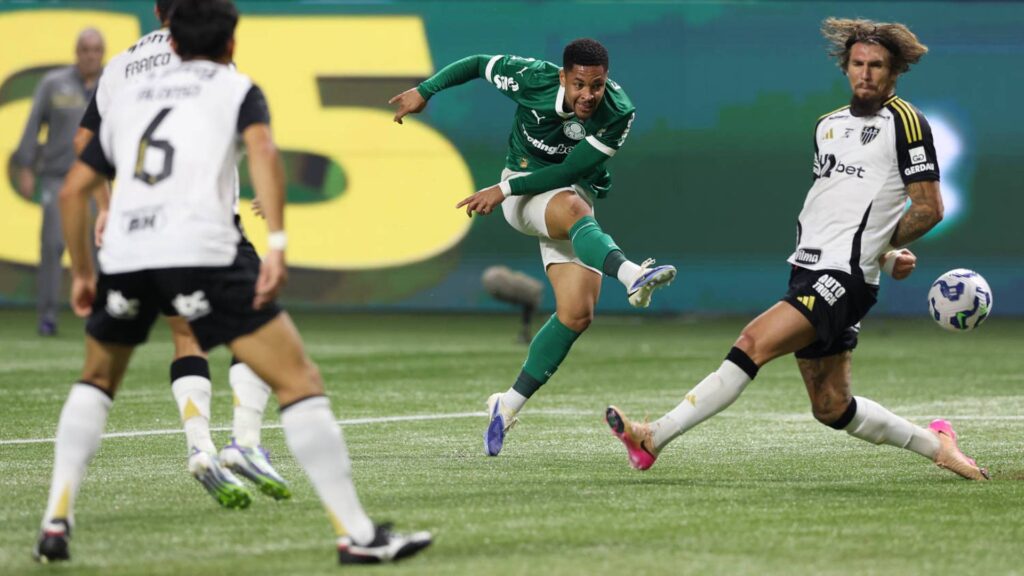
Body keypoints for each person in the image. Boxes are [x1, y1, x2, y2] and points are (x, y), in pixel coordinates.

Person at [33, 0, 431, 565]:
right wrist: (279, 245)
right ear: (231, 43)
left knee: (96, 380)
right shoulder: (234, 87)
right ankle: (356, 536)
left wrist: (80, 271)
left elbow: (74, 188)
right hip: (201, 247)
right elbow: (263, 150)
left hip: (126, 249)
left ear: (168, 35)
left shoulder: (129, 90)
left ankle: (55, 522)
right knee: (298, 380)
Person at [606, 18, 988, 482]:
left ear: (894, 73)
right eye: (858, 64)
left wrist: (876, 253)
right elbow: (843, 210)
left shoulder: (906, 123)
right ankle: (938, 444)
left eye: (877, 66)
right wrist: (884, 255)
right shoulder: (826, 126)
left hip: (844, 279)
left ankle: (653, 437)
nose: (866, 73)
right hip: (807, 270)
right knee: (831, 407)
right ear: (846, 67)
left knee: (751, 343)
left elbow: (929, 209)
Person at [390, 39, 677, 456]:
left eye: (597, 85)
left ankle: (505, 405)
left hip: (560, 192)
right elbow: (477, 61)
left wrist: (502, 189)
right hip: (524, 194)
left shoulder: (619, 111)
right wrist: (425, 90)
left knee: (577, 314)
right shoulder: (531, 78)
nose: (588, 95)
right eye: (579, 84)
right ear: (563, 77)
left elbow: (570, 170)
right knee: (576, 209)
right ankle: (633, 275)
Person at [75, 0, 289, 507]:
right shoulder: (211, 58)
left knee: (182, 336)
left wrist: (104, 206)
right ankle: (247, 442)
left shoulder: (123, 64)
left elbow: (84, 142)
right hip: (206, 225)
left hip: (140, 229)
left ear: (156, 11)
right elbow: (239, 136)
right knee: (256, 329)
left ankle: (199, 449)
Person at [13, 28, 104, 337]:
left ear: (101, 53)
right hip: (58, 177)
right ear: (76, 51)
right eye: (85, 49)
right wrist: (26, 166)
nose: (91, 55)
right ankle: (48, 316)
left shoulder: (111, 86)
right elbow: (33, 123)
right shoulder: (54, 84)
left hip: (95, 180)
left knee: (98, 247)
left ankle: (98, 314)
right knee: (52, 246)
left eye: (96, 50)